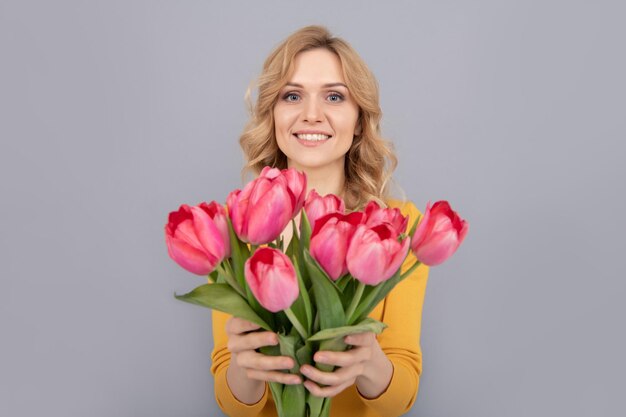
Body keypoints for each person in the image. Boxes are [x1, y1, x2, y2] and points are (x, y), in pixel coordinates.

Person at [210, 25, 429, 417]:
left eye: (334, 96)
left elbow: (399, 400)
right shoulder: (234, 228)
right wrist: (246, 366)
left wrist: (369, 362)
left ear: (360, 119)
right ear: (272, 115)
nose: (312, 115)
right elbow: (234, 405)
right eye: (292, 96)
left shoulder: (396, 228)